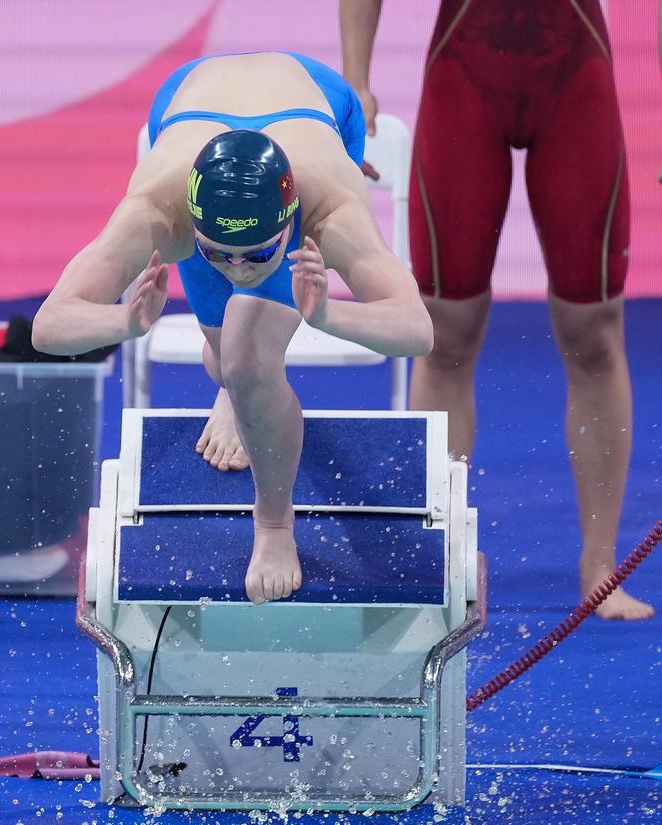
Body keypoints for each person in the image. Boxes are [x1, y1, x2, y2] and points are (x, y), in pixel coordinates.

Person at [32, 52, 432, 604]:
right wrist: (124, 321)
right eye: (216, 253)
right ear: (191, 226)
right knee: (229, 363)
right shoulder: (159, 211)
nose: (237, 270)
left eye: (257, 254)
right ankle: (233, 386)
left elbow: (417, 328)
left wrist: (327, 315)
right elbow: (48, 327)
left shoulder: (330, 210)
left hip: (318, 104)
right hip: (185, 103)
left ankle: (273, 522)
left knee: (247, 361)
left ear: (290, 224)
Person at [340, 0, 655, 621]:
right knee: (444, 329)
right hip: (465, 71)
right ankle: (436, 555)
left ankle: (599, 566)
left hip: (575, 71)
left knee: (594, 330)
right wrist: (355, 79)